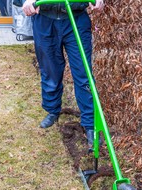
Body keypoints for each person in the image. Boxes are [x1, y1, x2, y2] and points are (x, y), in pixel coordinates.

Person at [22, 0, 104, 147]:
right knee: (50, 70)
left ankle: (90, 123)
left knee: (83, 73)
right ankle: (53, 110)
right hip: (45, 20)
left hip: (76, 19)